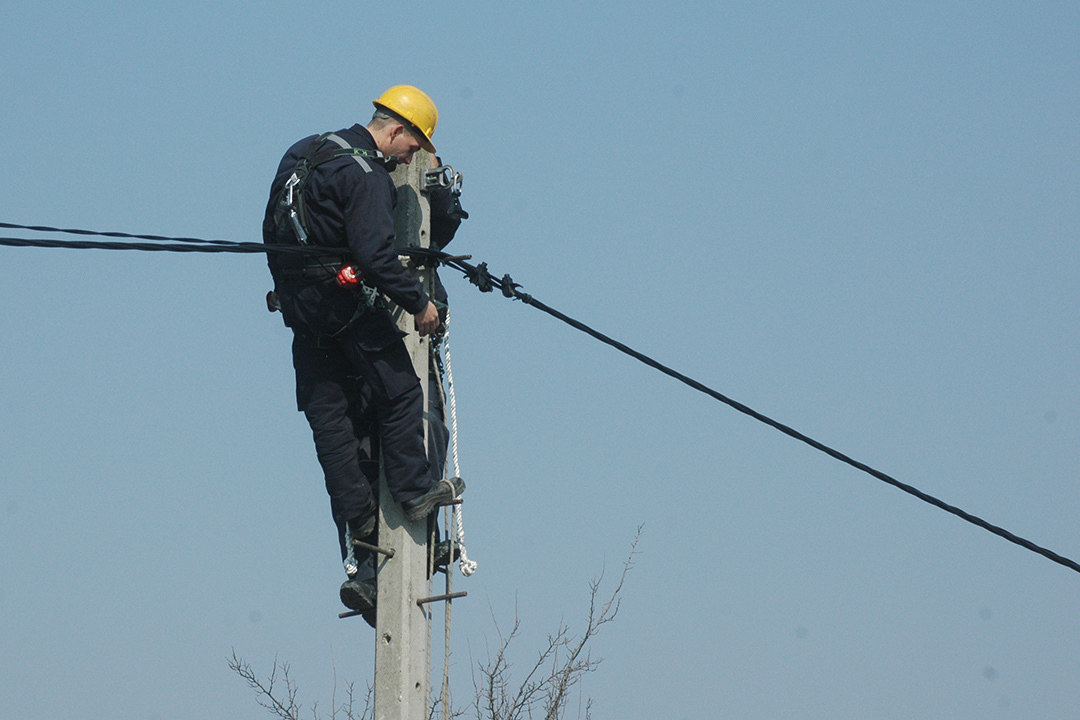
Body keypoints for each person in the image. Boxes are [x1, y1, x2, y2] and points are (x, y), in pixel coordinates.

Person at [262, 85, 465, 614]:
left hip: (301, 315)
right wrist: (418, 303)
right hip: (346, 309)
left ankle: (362, 540)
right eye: (413, 146)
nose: (410, 157)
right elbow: (375, 257)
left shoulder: (304, 151)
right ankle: (415, 489)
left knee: (334, 432)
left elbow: (271, 230)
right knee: (401, 393)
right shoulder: (366, 174)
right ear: (397, 129)